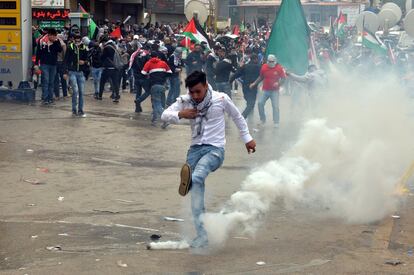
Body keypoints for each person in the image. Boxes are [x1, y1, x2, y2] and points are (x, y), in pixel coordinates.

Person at [161, 71, 257, 248]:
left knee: (196, 177)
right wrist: (182, 114)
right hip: (194, 150)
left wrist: (247, 138)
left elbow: (237, 117)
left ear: (206, 85)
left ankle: (191, 180)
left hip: (215, 150)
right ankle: (202, 235)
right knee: (196, 194)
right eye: (192, 92)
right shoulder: (185, 101)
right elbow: (164, 115)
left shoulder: (221, 99)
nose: (195, 96)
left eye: (198, 91)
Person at [250, 54, 286, 128]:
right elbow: (261, 77)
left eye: (272, 61)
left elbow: (283, 78)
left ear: (275, 61)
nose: (271, 63)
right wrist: (254, 83)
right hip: (265, 89)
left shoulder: (279, 68)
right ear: (267, 61)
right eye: (269, 61)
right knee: (260, 103)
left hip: (275, 91)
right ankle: (263, 120)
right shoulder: (264, 67)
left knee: (275, 106)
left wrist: (278, 83)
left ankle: (276, 122)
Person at [141, 52, 172, 127]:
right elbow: (170, 73)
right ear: (158, 56)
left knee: (156, 104)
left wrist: (149, 74)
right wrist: (163, 76)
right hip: (162, 86)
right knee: (159, 103)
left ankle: (165, 120)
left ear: (150, 57)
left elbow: (143, 73)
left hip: (154, 86)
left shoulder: (148, 63)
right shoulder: (163, 63)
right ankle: (154, 119)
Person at [35, 28, 63, 105]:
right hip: (44, 64)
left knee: (51, 82)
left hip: (53, 64)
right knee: (46, 81)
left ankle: (50, 98)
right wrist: (36, 63)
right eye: (53, 36)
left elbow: (60, 50)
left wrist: (56, 42)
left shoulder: (56, 41)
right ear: (49, 35)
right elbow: (38, 53)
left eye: (55, 36)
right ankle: (45, 98)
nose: (54, 37)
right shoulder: (42, 41)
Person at [63, 34, 89, 116]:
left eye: (79, 40)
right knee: (75, 90)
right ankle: (74, 109)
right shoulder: (70, 47)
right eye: (76, 40)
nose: (77, 42)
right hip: (72, 72)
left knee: (81, 92)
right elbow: (66, 60)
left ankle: (80, 110)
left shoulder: (84, 47)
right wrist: (65, 72)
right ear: (73, 40)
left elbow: (88, 60)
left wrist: (84, 62)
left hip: (81, 73)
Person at [230, 54, 261, 119]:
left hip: (245, 87)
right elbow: (264, 76)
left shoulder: (245, 66)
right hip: (253, 87)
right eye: (257, 59)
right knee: (251, 103)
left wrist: (230, 81)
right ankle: (242, 116)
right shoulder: (259, 67)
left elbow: (237, 74)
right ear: (255, 59)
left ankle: (250, 116)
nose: (258, 60)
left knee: (249, 101)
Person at [99, 38, 121, 102]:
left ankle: (100, 95)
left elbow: (102, 57)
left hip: (108, 68)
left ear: (104, 42)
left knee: (102, 82)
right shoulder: (114, 46)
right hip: (115, 67)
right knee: (115, 83)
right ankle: (116, 96)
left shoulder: (106, 48)